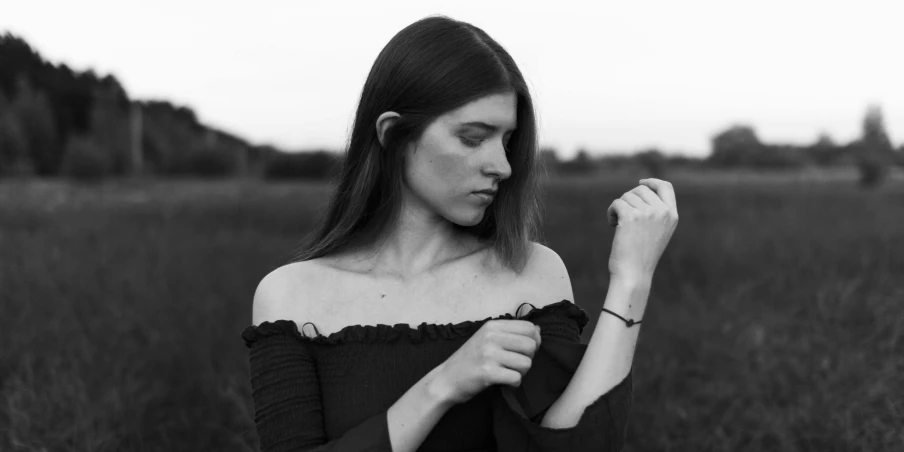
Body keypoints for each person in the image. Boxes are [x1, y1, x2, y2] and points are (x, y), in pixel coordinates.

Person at [241, 15, 679, 452]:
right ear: (392, 134)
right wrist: (443, 385)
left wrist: (632, 278)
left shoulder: (531, 273)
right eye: (473, 138)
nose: (503, 166)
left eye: (507, 141)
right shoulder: (291, 297)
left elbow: (579, 447)